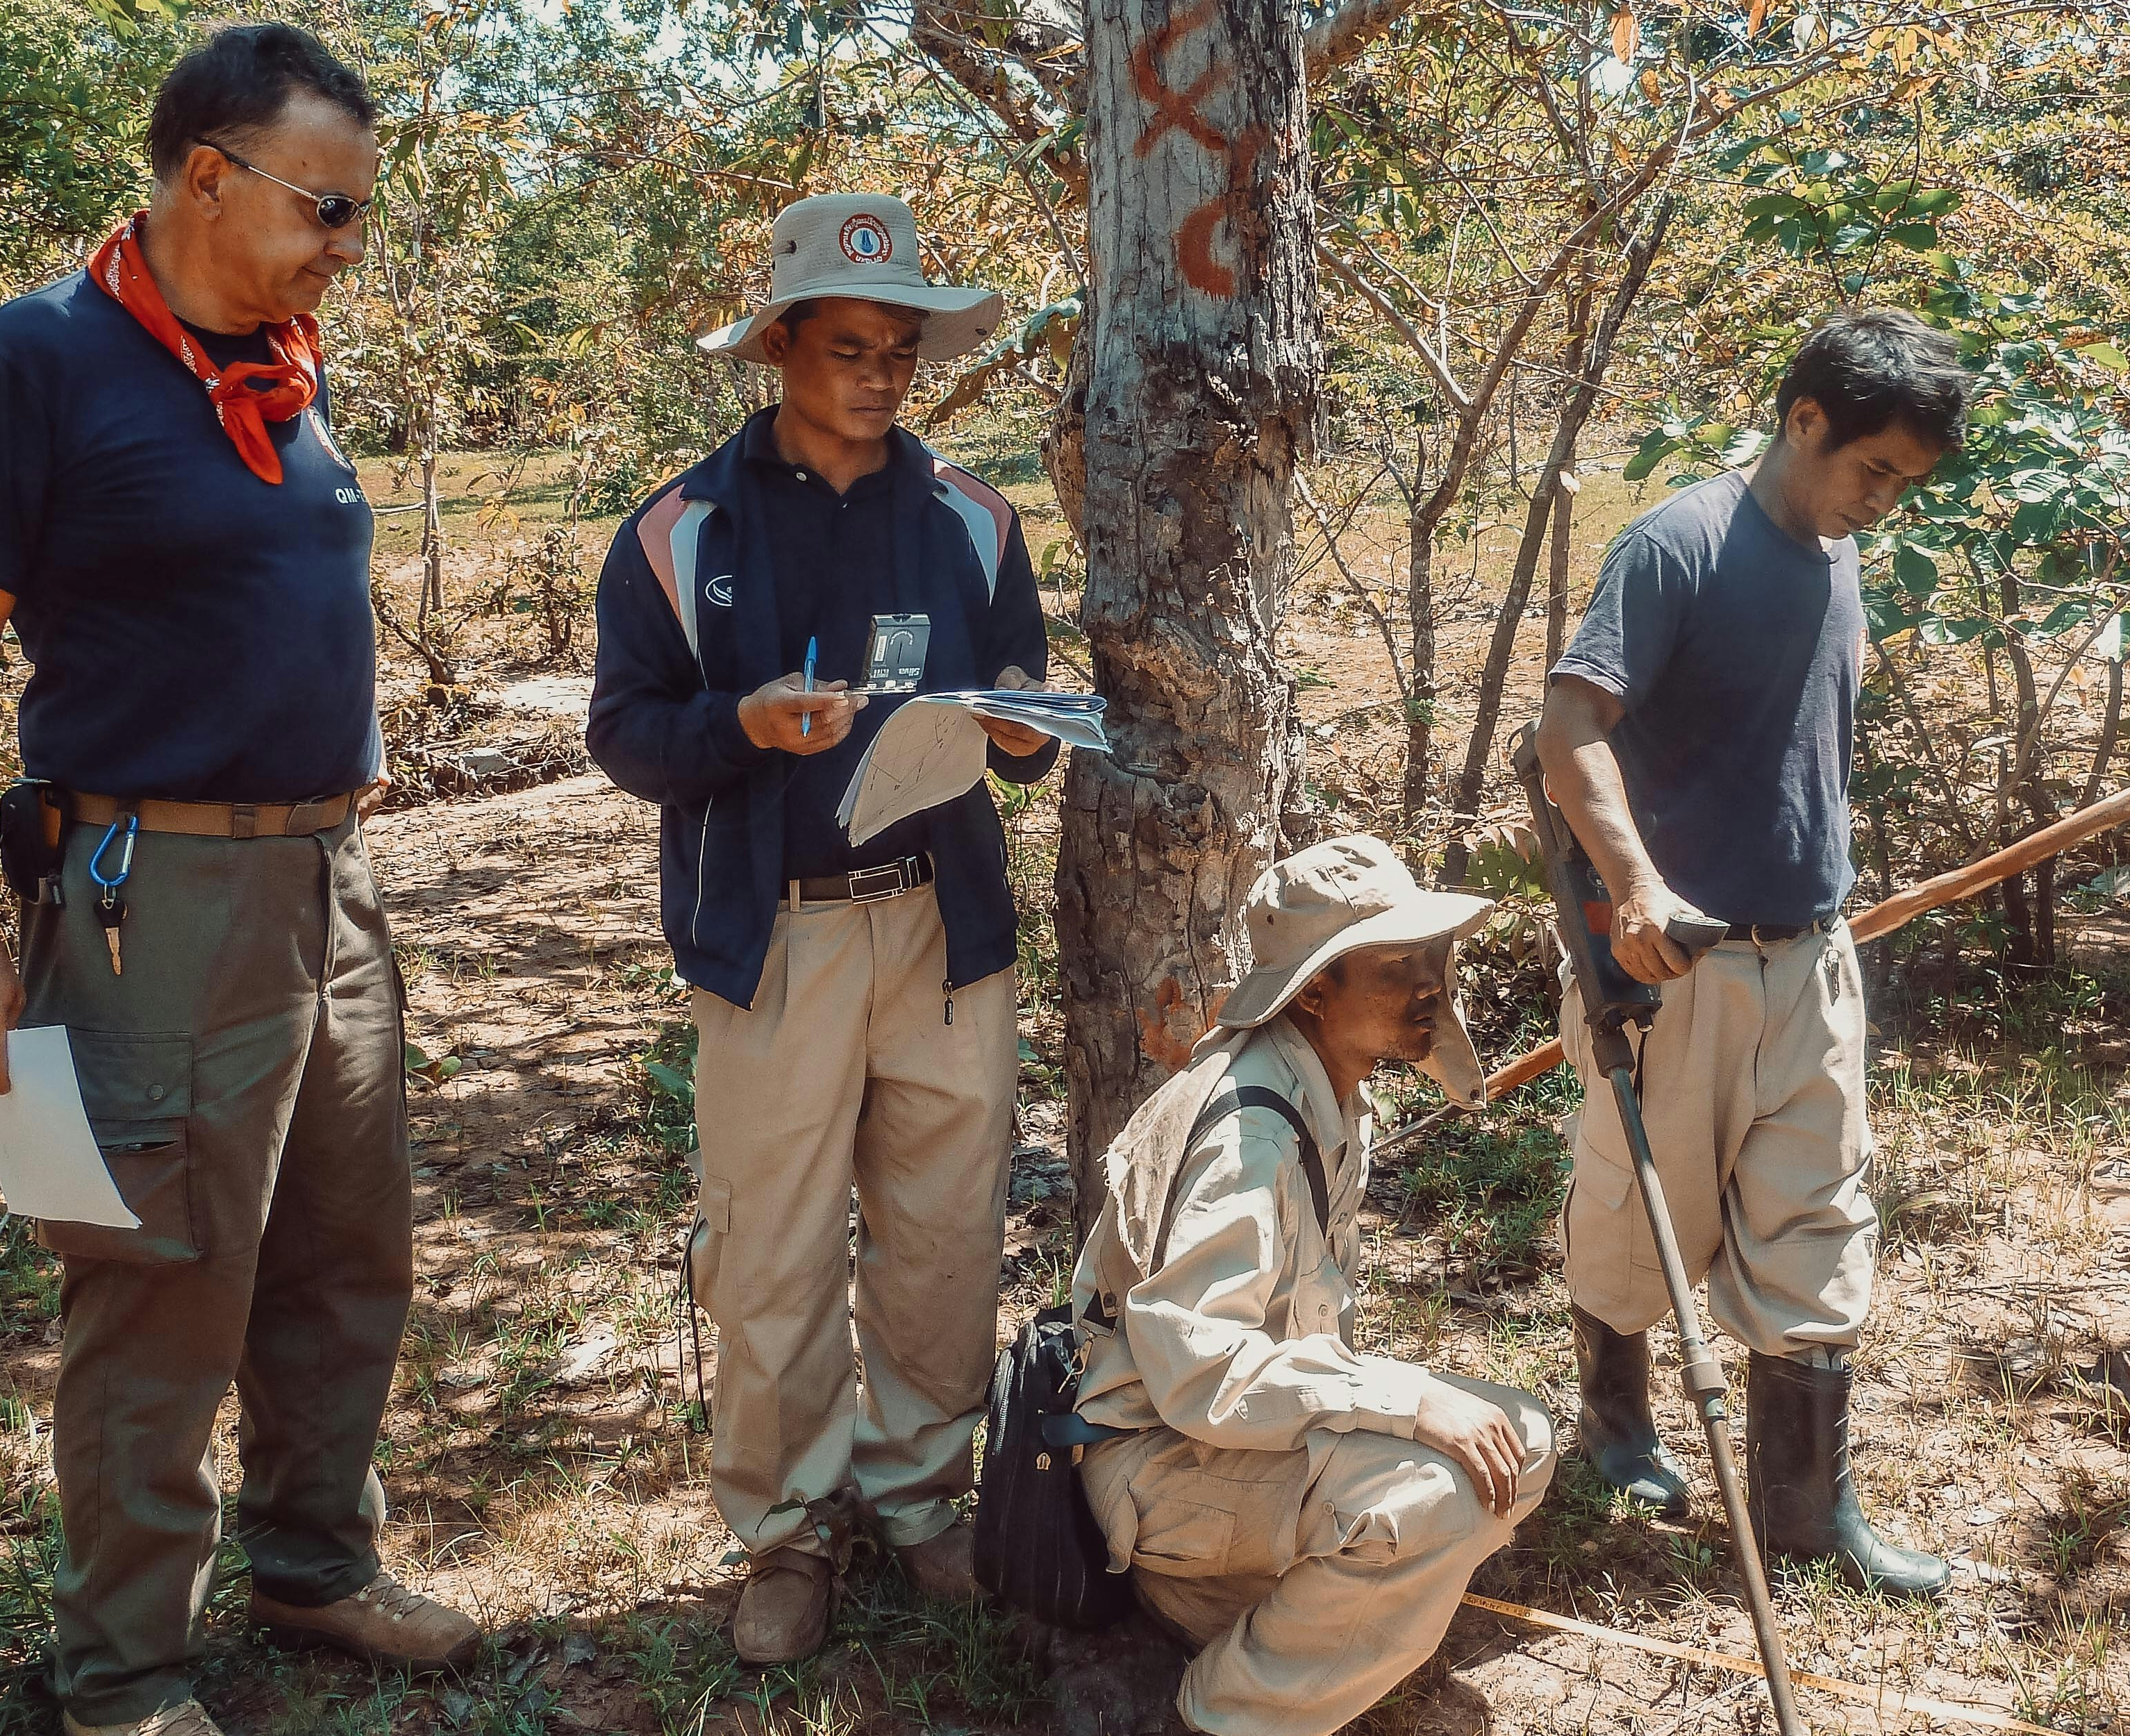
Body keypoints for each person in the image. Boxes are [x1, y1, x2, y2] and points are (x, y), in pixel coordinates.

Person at [0, 26, 476, 1735]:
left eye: (359, 212)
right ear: (208, 176)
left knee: (341, 1252)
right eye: (326, 207)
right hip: (156, 891)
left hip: (327, 878)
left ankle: (314, 1561)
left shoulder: (280, 369)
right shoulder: (34, 360)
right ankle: (124, 1671)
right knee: (159, 1282)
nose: (347, 243)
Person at [585, 192, 1051, 1664]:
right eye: (847, 346)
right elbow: (623, 732)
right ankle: (788, 1529)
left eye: (900, 349)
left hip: (939, 930)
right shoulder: (683, 532)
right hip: (774, 933)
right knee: (773, 1244)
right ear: (779, 344)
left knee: (943, 1228)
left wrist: (1024, 730)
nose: (879, 374)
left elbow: (1026, 700)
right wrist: (743, 723)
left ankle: (920, 1498)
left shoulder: (972, 522)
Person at [1532, 306, 1972, 1595]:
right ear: (1803, 420)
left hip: (1813, 958)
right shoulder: (1678, 545)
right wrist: (1635, 892)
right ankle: (1617, 1428)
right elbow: (1568, 731)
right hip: (1680, 971)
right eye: (1873, 469)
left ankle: (1804, 1510)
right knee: (1640, 1217)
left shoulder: (1838, 555)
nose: (1884, 501)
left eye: (1905, 483)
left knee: (1819, 1219)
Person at [1067, 836, 1558, 1736]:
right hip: (1159, 1466)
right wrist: (1408, 1401)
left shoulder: (1324, 1080)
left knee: (1516, 1440)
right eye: (1397, 964)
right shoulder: (1249, 1135)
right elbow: (1199, 1373)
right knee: (1433, 1499)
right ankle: (1223, 1712)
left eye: (1434, 954)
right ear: (1315, 991)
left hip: (1231, 1447)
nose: (1431, 981)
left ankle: (1304, 1619)